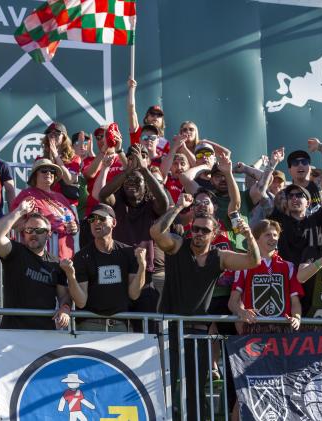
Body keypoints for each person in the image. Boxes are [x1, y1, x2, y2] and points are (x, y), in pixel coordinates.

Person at [150, 193, 260, 421]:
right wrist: (178, 206)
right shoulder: (177, 245)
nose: (198, 234)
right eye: (195, 229)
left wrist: (248, 235)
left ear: (215, 234)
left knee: (195, 389)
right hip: (170, 327)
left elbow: (253, 261)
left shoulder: (218, 257)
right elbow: (156, 233)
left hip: (198, 331)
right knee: (163, 386)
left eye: (204, 231)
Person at [97, 144, 169, 326]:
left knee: (148, 328)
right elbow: (103, 195)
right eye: (127, 181)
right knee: (120, 327)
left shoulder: (151, 204)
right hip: (119, 273)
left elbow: (164, 203)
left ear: (146, 185)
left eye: (137, 181)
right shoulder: (118, 201)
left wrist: (144, 170)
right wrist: (127, 172)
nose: (131, 184)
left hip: (145, 275)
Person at [0, 196, 72, 330]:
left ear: (49, 233)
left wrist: (65, 308)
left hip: (43, 334)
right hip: (13, 332)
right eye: (29, 230)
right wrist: (20, 211)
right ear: (23, 233)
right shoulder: (15, 252)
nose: (33, 234)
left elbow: (64, 296)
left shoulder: (57, 264)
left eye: (39, 230)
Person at [65, 204, 147, 332]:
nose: (96, 222)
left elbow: (134, 294)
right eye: (92, 219)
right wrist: (71, 276)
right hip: (89, 324)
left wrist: (142, 267)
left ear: (113, 222)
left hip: (120, 325)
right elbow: (81, 302)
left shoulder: (129, 252)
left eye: (102, 218)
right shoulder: (82, 256)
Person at [269, 144, 322, 265]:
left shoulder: (318, 185)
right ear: (289, 170)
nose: (300, 165)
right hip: (292, 250)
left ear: (309, 167)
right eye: (295, 163)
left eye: (304, 161)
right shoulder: (282, 195)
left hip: (317, 245)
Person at [229, 219, 303, 333]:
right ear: (257, 239)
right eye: (267, 235)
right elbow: (233, 302)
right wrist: (241, 312)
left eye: (275, 235)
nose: (272, 238)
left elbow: (295, 302)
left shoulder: (288, 266)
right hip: (254, 327)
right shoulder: (244, 265)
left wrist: (297, 318)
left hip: (282, 328)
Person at [11, 159, 78, 259]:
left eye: (52, 171)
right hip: (40, 257)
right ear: (35, 175)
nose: (48, 173)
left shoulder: (61, 197)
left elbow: (74, 224)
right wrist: (38, 227)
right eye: (44, 170)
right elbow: (14, 223)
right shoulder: (27, 195)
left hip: (66, 256)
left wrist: (74, 227)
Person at [40, 122, 82, 204]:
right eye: (50, 134)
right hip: (47, 203)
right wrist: (51, 160)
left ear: (64, 137)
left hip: (67, 205)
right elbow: (41, 185)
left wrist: (56, 156)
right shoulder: (40, 159)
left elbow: (69, 180)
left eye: (56, 134)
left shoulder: (74, 158)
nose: (52, 136)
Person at [127, 78, 170, 155]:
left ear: (162, 121)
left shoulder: (165, 143)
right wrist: (131, 89)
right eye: (152, 114)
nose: (155, 117)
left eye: (159, 115)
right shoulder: (138, 131)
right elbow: (131, 109)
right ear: (146, 118)